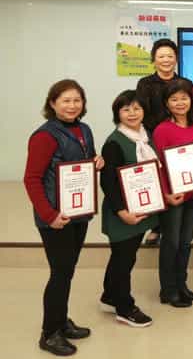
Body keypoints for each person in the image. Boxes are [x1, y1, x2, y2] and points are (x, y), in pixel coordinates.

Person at [23, 79, 104, 356]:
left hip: (78, 213)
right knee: (60, 273)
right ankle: (49, 333)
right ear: (53, 103)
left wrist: (97, 161)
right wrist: (49, 215)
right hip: (55, 217)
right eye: (66, 100)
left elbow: (84, 161)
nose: (72, 105)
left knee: (67, 270)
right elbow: (32, 179)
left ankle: (61, 321)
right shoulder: (44, 136)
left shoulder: (84, 129)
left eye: (77, 100)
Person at [98, 90, 157, 327]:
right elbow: (108, 182)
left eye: (136, 108)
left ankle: (109, 296)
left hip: (140, 209)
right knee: (123, 259)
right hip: (122, 213)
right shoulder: (114, 142)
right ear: (117, 114)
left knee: (125, 257)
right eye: (126, 109)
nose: (132, 113)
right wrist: (122, 212)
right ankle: (125, 308)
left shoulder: (145, 136)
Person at [136, 39, 193, 246]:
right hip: (156, 138)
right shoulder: (145, 83)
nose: (166, 60)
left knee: (183, 183)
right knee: (161, 181)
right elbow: (142, 113)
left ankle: (164, 227)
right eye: (161, 56)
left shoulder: (185, 82)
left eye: (170, 56)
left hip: (181, 139)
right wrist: (160, 132)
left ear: (176, 59)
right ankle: (157, 225)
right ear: (154, 59)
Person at [152, 79, 193, 308]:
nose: (180, 103)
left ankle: (182, 285)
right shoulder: (162, 130)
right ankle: (168, 289)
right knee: (170, 243)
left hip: (192, 194)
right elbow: (158, 165)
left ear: (191, 100)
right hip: (173, 196)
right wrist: (165, 194)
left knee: (185, 243)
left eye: (184, 98)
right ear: (166, 103)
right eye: (174, 99)